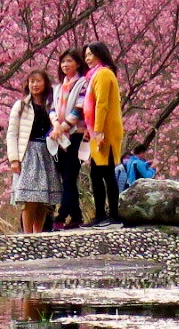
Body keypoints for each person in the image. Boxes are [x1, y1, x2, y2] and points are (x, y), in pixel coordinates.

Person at [6, 70, 63, 233]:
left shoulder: (52, 106)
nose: (35, 85)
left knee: (42, 200)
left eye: (38, 81)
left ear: (45, 84)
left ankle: (39, 235)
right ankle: (28, 235)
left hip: (47, 153)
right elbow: (12, 133)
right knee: (29, 199)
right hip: (28, 153)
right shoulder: (22, 105)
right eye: (32, 81)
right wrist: (14, 159)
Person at [84, 42, 124, 225]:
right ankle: (102, 213)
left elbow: (101, 104)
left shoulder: (103, 74)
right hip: (98, 131)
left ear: (100, 54)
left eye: (90, 54)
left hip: (104, 132)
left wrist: (98, 131)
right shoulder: (98, 75)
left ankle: (111, 214)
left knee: (106, 173)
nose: (87, 59)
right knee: (97, 173)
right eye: (86, 55)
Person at [51, 48, 91, 229]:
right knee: (66, 177)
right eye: (63, 62)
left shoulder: (83, 83)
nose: (65, 65)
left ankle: (61, 216)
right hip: (59, 137)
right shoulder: (58, 87)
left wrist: (63, 126)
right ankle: (76, 216)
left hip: (76, 135)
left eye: (69, 61)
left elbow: (79, 108)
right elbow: (52, 109)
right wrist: (57, 126)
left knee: (69, 176)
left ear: (78, 63)